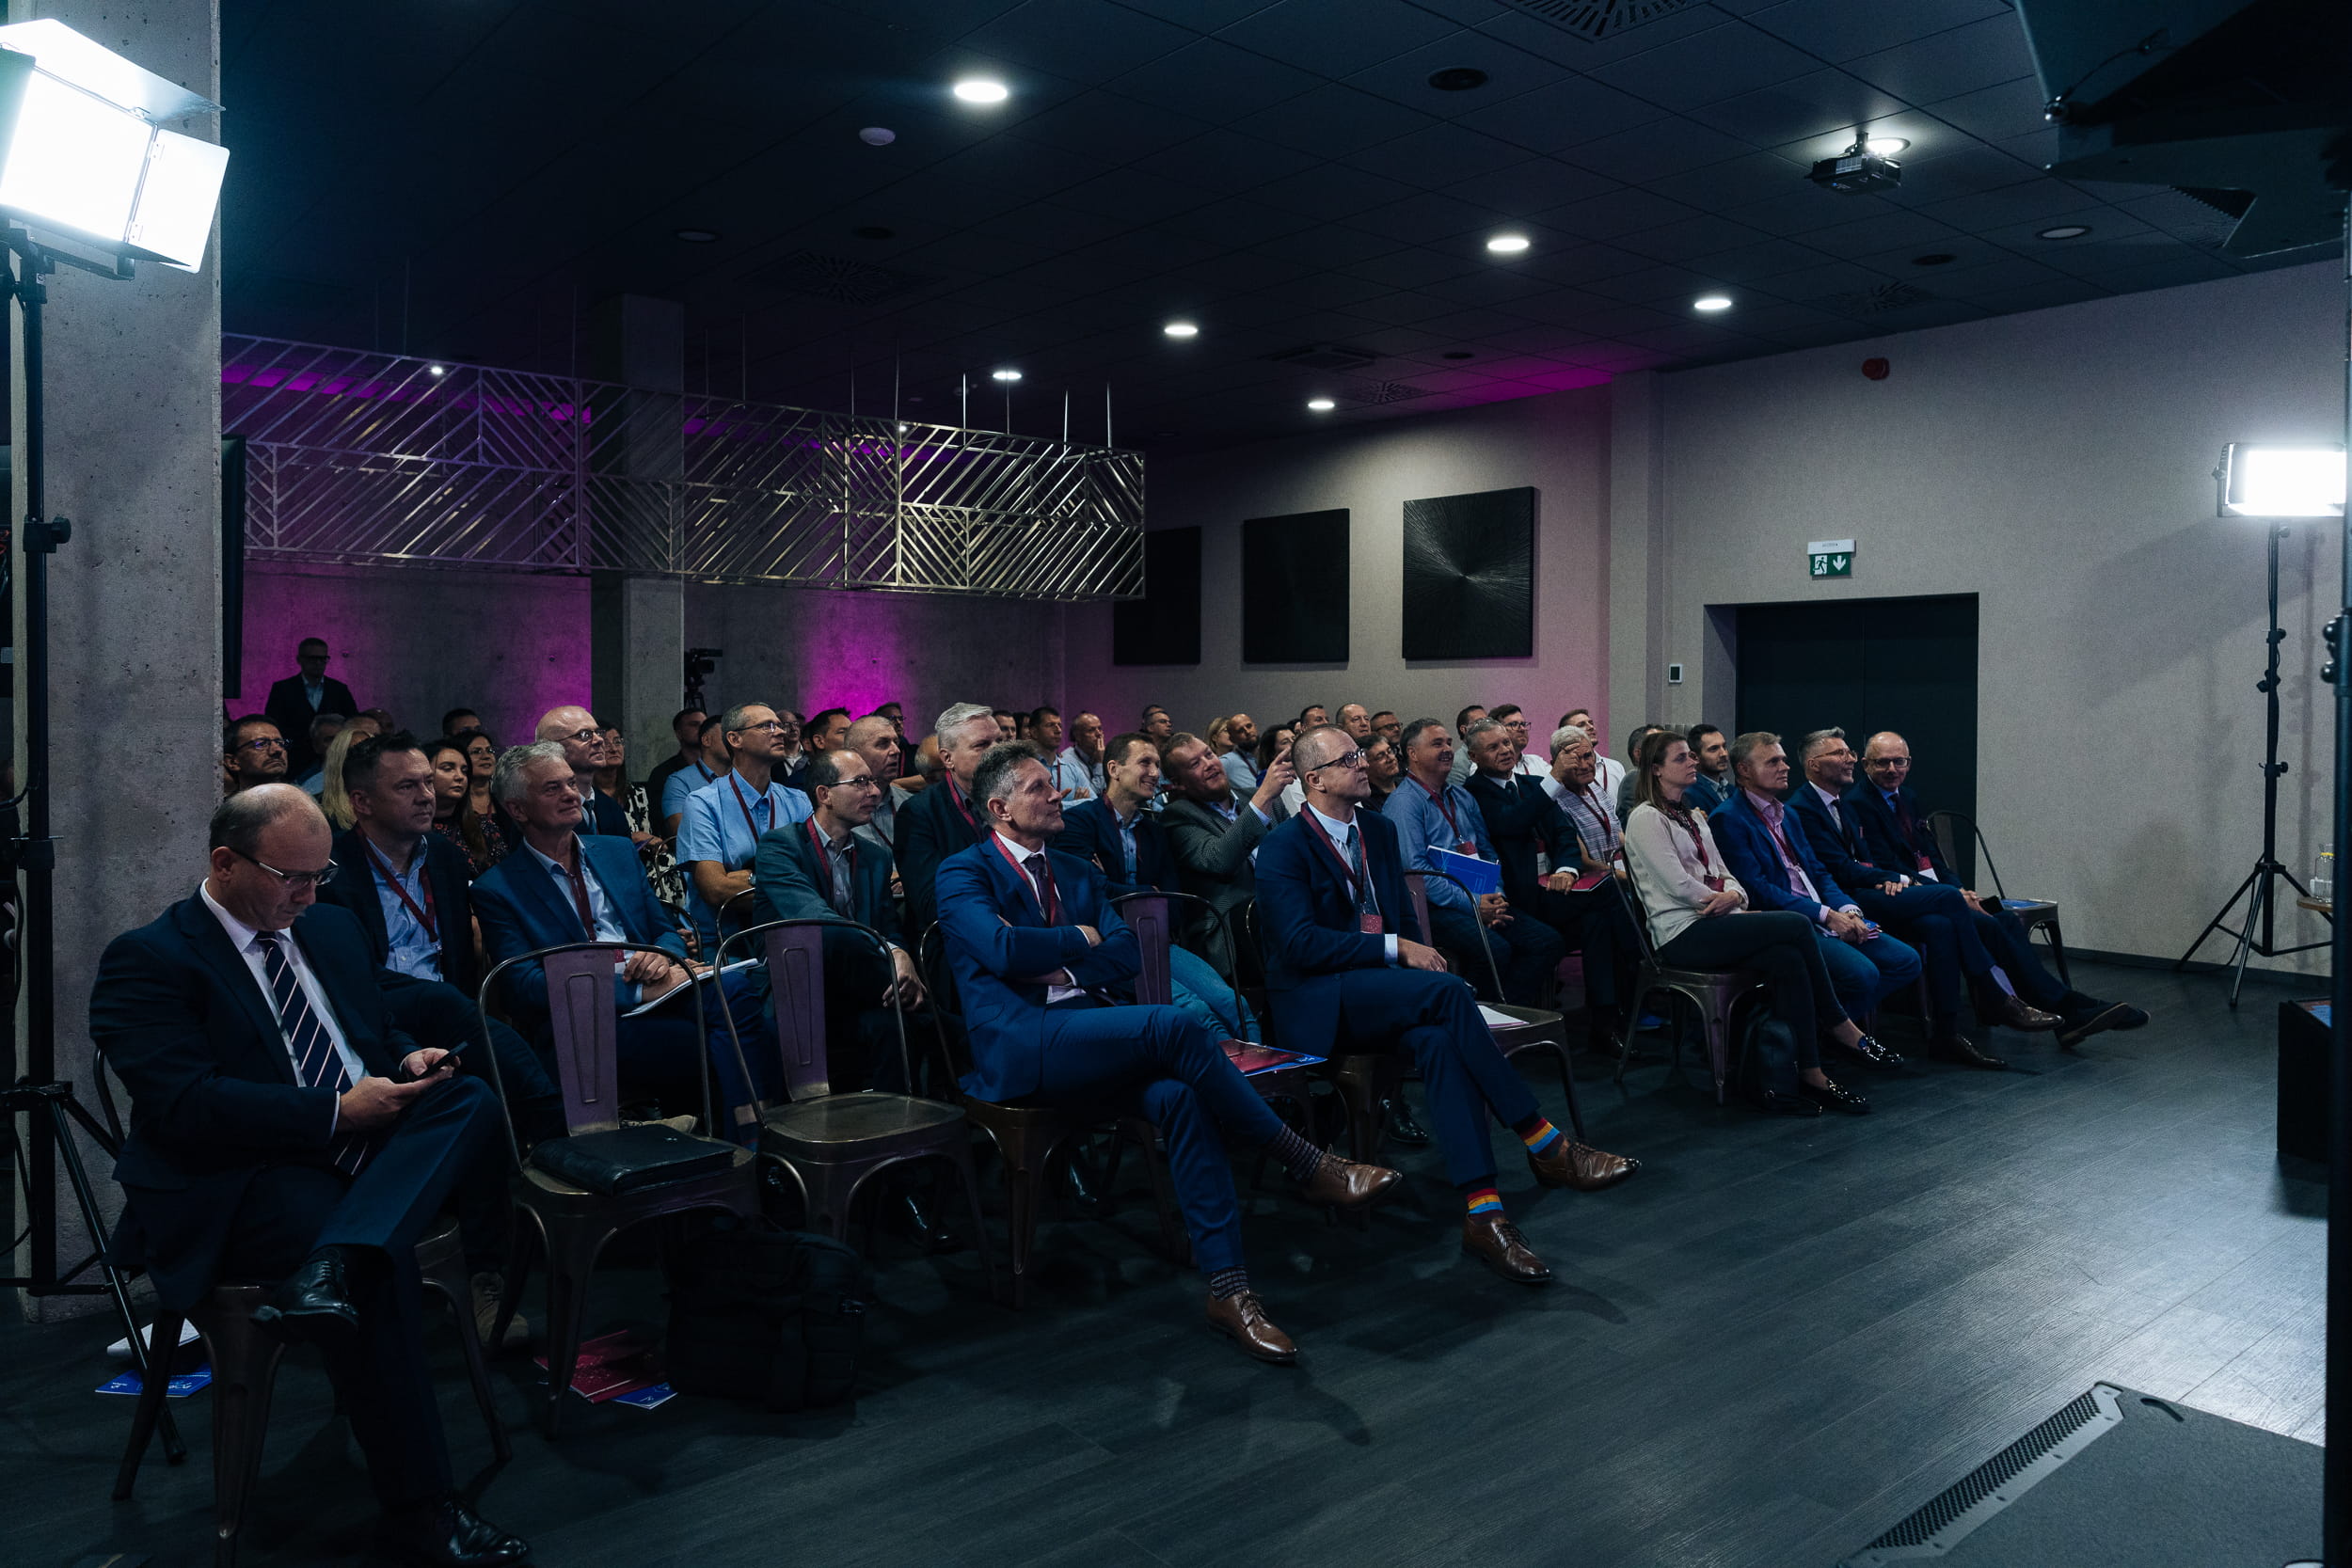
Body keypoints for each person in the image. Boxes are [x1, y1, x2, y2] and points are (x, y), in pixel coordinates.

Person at [91, 786, 531, 1566]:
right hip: (245, 1175)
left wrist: (406, 1056)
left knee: (466, 1097)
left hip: (360, 1148)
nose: (308, 893)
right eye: (290, 876)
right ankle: (421, 1510)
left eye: (320, 874)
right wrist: (335, 1112)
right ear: (225, 862)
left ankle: (333, 1262)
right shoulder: (151, 958)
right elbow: (188, 1105)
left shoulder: (326, 925)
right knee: (381, 1266)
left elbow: (370, 1025)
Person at [939, 741, 1398, 1361]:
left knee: (1182, 1097)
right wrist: (1079, 937)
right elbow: (1001, 951)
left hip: (1089, 1030)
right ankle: (1306, 1161)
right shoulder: (963, 872)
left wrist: (1060, 958)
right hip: (1020, 1044)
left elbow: (1127, 952)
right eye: (1038, 788)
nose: (1057, 794)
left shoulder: (1073, 869)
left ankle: (1229, 1290)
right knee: (1174, 1025)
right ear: (1000, 808)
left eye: (1053, 783)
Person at [1257, 724, 1637, 1285]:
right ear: (1314, 779)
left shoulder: (1378, 829)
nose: (1363, 763)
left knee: (1440, 1040)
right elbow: (1298, 945)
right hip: (1320, 998)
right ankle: (1545, 1141)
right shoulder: (1284, 846)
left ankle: (1485, 1213)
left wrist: (1412, 951)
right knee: (1450, 993)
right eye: (1348, 759)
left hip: (1383, 989)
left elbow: (1401, 916)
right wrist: (1396, 949)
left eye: (1360, 755)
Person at [320, 732, 564, 1340]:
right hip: (375, 1025)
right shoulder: (332, 871)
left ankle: (487, 1271)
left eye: (428, 782)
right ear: (362, 801)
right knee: (461, 1025)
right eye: (407, 785)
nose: (427, 795)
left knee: (476, 1078)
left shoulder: (448, 861)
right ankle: (569, 1144)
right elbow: (350, 982)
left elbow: (456, 964)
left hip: (449, 1021)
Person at [472, 742, 765, 1133]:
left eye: (571, 783)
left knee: (736, 990)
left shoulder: (616, 851)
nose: (571, 794)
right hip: (584, 1018)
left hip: (657, 982)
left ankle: (747, 1130)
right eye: (552, 788)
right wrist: (635, 991)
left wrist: (663, 956)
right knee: (702, 1037)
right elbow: (523, 986)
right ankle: (735, 1137)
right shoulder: (498, 888)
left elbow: (663, 929)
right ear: (518, 809)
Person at [1621, 732, 1874, 1117]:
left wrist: (1734, 897)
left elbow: (1728, 875)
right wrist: (1726, 899)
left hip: (1717, 920)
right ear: (1656, 770)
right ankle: (1839, 1023)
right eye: (1681, 758)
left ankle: (1807, 1071)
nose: (1692, 762)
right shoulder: (1645, 818)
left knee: (1788, 957)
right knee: (1795, 925)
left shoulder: (1692, 816)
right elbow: (1678, 886)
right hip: (1680, 933)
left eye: (1691, 756)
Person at [1853, 730, 2145, 1050]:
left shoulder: (1907, 797)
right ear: (1866, 764)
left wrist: (1960, 889)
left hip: (1937, 892)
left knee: (2004, 919)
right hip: (1902, 897)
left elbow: (1932, 857)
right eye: (1882, 763)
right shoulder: (1858, 803)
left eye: (1899, 762)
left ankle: (2062, 1010)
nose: (1892, 769)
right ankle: (2064, 1005)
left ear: (1909, 763)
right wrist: (1951, 895)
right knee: (1983, 924)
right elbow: (1886, 864)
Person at [1789, 728, 2033, 1069]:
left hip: (1870, 889)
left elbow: (1869, 860)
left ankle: (1946, 1033)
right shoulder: (1803, 808)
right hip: (1849, 898)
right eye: (1840, 754)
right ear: (1814, 764)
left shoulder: (1841, 803)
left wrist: (1884, 878)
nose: (1850, 760)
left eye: (1849, 753)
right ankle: (1992, 993)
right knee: (1949, 899)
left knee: (1940, 925)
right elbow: (1838, 869)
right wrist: (1893, 878)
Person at [1707, 733, 1918, 1068]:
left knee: (1905, 960)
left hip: (1825, 912)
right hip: (1791, 923)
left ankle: (1820, 1029)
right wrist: (1824, 915)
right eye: (1773, 761)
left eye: (1783, 759)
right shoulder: (1729, 817)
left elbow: (1818, 872)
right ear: (1744, 770)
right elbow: (1758, 888)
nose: (1785, 766)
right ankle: (1825, 1036)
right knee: (1863, 974)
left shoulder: (1787, 814)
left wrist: (1847, 909)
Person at [1057, 732, 1261, 1043]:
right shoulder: (1079, 822)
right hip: (1109, 946)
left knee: (1235, 1006)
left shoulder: (1155, 831)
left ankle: (1269, 1074)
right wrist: (1145, 891)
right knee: (1197, 1013)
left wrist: (1115, 887)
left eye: (1156, 765)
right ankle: (1226, 1075)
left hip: (1157, 940)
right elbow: (1087, 895)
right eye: (1145, 763)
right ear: (1114, 769)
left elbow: (1172, 902)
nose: (1154, 773)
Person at [1463, 718, 1644, 1057]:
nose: (1505, 750)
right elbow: (1512, 823)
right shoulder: (1474, 792)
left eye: (1506, 743)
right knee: (1611, 896)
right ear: (1473, 756)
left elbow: (1563, 833)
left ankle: (1605, 1024)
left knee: (1598, 922)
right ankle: (1643, 967)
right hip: (1518, 896)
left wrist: (1566, 868)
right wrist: (1555, 779)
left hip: (1556, 889)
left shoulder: (1532, 784)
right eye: (1493, 747)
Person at [751, 748, 927, 1094]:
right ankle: (938, 1014)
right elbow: (813, 919)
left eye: (873, 782)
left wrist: (901, 952)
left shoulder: (875, 855)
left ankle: (895, 1119)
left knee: (896, 1025)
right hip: (799, 984)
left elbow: (889, 925)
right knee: (831, 935)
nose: (874, 792)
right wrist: (889, 953)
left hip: (856, 987)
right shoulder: (779, 846)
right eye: (860, 782)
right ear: (824, 794)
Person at [1383, 718, 1564, 1007]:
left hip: (1480, 896)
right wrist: (1474, 904)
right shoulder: (1404, 803)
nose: (1447, 749)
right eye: (1437, 744)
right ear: (1412, 753)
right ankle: (1476, 1017)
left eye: (1448, 743)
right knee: (1496, 950)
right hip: (1436, 908)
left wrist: (1496, 895)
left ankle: (1505, 1013)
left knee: (1547, 942)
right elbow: (1418, 875)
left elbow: (1487, 850)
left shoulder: (1462, 796)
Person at [676, 703, 814, 950]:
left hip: (789, 937)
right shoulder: (703, 803)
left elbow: (818, 878)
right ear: (735, 739)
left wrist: (749, 879)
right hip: (726, 943)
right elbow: (716, 889)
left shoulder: (798, 800)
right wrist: (790, 885)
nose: (780, 732)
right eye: (767, 726)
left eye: (779, 726)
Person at [1161, 730, 1296, 971]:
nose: (1209, 764)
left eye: (1208, 755)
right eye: (1195, 764)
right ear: (1179, 783)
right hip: (1235, 930)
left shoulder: (1256, 798)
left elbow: (1297, 851)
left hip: (1287, 910)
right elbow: (1219, 859)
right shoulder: (1178, 816)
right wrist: (1263, 796)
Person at [895, 702, 1001, 942]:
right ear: (948, 758)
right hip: (955, 939)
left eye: (999, 742)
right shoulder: (918, 813)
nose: (996, 752)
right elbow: (930, 901)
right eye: (982, 745)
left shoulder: (1019, 801)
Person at [597, 719, 682, 905]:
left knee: (666, 860)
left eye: (618, 742)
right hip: (608, 863)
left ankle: (674, 918)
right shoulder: (589, 797)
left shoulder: (637, 793)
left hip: (643, 859)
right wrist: (631, 838)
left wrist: (653, 842)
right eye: (605, 743)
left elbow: (650, 834)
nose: (613, 748)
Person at [264, 637, 359, 780]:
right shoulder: (283, 689)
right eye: (312, 658)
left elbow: (352, 722)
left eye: (323, 659)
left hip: (334, 759)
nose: (318, 663)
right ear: (300, 660)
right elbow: (273, 725)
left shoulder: (339, 689)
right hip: (295, 759)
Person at [533, 705, 631, 837]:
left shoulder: (611, 807)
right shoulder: (538, 810)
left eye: (598, 732)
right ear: (552, 747)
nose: (599, 740)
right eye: (584, 735)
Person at [1543, 724, 1623, 872]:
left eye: (1587, 756)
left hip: (1616, 876)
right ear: (1556, 765)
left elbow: (1618, 834)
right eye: (1574, 759)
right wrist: (1625, 877)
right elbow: (1583, 862)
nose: (1584, 766)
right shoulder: (1555, 801)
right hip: (1591, 882)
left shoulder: (1596, 787)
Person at [453, 728, 515, 872]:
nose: (486, 756)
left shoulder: (508, 801)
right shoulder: (452, 806)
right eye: (476, 752)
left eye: (490, 751)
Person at [843, 715, 904, 854]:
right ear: (855, 754)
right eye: (883, 744)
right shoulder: (837, 809)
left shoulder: (910, 803)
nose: (896, 750)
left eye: (896, 742)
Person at [661, 714, 729, 839]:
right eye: (727, 736)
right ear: (706, 740)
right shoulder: (679, 782)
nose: (734, 742)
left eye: (737, 737)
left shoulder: (743, 778)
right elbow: (681, 833)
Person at [314, 714, 386, 828]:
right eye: (354, 753)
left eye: (370, 752)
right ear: (338, 760)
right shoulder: (317, 809)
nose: (364, 758)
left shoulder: (389, 799)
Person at [644, 707, 707, 810]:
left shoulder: (720, 768)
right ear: (679, 733)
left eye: (705, 725)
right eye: (694, 724)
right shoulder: (663, 774)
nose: (702, 729)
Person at [1565, 707, 1625, 801]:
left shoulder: (1616, 766)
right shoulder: (1567, 773)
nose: (1591, 727)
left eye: (1591, 723)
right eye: (1581, 725)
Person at [1031, 705, 1091, 801]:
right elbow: (1034, 806)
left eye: (1060, 725)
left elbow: (1093, 802)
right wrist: (1076, 804)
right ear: (1034, 732)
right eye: (1050, 725)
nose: (1058, 730)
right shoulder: (1027, 769)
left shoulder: (1072, 769)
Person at [224, 716, 289, 795]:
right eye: (261, 744)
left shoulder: (299, 799)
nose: (278, 750)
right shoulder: (224, 803)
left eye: (280, 743)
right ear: (232, 762)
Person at [1615, 724, 1669, 818]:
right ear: (1638, 754)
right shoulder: (1634, 779)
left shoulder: (1668, 778)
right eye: (1660, 746)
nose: (1667, 750)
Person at [1486, 705, 1549, 779]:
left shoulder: (1537, 762)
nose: (1522, 729)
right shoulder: (1488, 765)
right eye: (1514, 724)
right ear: (1496, 731)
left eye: (1523, 724)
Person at [1058, 710, 1108, 800]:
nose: (1099, 734)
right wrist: (1099, 764)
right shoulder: (1066, 761)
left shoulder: (1104, 754)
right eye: (1091, 730)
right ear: (1078, 736)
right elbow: (1091, 796)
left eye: (1100, 728)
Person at [1685, 723, 1733, 812]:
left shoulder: (1732, 790)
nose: (1724, 754)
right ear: (1694, 757)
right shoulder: (1689, 794)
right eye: (1714, 749)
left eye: (1724, 746)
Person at [294, 713, 346, 792]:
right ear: (316, 746)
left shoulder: (363, 769)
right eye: (329, 739)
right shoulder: (303, 784)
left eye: (342, 738)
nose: (337, 744)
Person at [1217, 713, 1260, 791]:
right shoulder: (1228, 762)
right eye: (1240, 731)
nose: (1247, 732)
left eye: (1249, 726)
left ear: (1255, 726)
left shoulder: (1270, 754)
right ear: (1232, 739)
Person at [1446, 705, 1486, 784]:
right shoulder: (1456, 763)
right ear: (1464, 729)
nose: (1487, 726)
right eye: (1480, 722)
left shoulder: (1492, 754)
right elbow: (1459, 792)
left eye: (1488, 721)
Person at [1364, 733, 1402, 810]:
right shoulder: (1365, 801)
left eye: (1390, 751)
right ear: (1365, 765)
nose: (1391, 759)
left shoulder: (1408, 785)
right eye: (1380, 756)